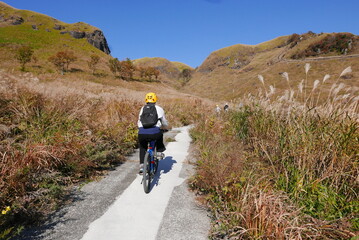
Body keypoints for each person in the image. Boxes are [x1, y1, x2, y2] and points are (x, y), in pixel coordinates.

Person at [137, 92, 168, 174]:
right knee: (159, 135)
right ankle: (158, 151)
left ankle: (142, 166)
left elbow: (139, 121)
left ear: (146, 99)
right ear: (155, 99)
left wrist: (141, 129)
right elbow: (164, 122)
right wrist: (165, 127)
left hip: (142, 132)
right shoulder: (159, 109)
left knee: (142, 147)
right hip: (155, 132)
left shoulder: (142, 108)